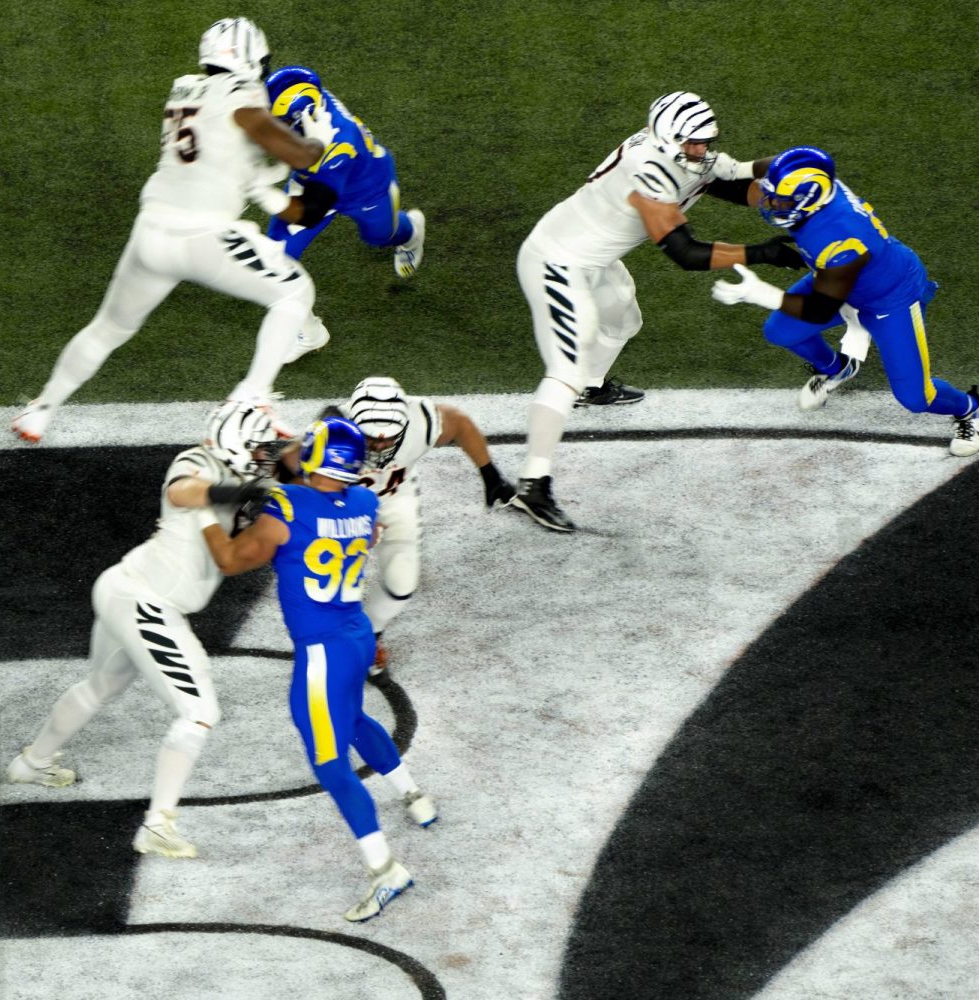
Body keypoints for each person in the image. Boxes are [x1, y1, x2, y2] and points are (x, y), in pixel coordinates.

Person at [11, 17, 331, 444]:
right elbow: (285, 145)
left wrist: (289, 189)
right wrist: (313, 145)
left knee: (108, 328)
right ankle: (251, 399)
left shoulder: (184, 89)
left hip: (150, 233)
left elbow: (255, 178)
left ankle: (40, 410)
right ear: (254, 59)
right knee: (294, 293)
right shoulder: (240, 93)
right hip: (203, 238)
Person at [511, 91, 801, 532]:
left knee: (624, 319)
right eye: (693, 144)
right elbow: (685, 253)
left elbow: (737, 182)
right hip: (557, 260)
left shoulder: (678, 156)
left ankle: (591, 388)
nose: (701, 151)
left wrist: (792, 171)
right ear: (669, 139)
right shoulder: (647, 171)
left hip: (592, 257)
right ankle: (532, 484)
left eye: (705, 142)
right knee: (566, 366)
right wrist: (763, 253)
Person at [7, 401, 281, 859]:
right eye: (257, 447)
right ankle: (157, 825)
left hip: (129, 591)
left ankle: (29, 764)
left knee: (99, 688)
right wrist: (235, 496)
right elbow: (183, 492)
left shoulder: (241, 475)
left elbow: (279, 465)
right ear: (233, 444)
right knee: (197, 712)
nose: (263, 456)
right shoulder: (199, 464)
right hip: (146, 603)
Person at [200, 416, 436, 923]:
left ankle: (385, 869)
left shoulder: (287, 507)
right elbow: (362, 531)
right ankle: (414, 795)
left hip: (322, 651)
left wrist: (205, 515)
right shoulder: (365, 501)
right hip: (354, 634)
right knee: (352, 722)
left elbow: (232, 561)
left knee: (329, 762)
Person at [712, 145, 979, 456]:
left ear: (807, 203)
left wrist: (765, 295)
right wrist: (728, 171)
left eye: (780, 200)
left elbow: (820, 310)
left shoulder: (840, 236)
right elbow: (779, 166)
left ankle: (970, 408)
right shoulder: (817, 188)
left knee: (915, 398)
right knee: (780, 330)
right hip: (839, 277)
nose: (770, 203)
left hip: (889, 297)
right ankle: (835, 368)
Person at [342, 376, 516, 674]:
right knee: (336, 586)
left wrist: (490, 474)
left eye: (388, 437)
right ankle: (338, 639)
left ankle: (370, 633)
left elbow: (460, 423)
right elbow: (299, 473)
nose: (381, 444)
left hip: (395, 499)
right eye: (372, 437)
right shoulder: (332, 429)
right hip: (342, 504)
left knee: (401, 583)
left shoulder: (420, 420)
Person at [259, 66, 427, 362]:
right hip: (312, 178)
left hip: (363, 187)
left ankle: (411, 231)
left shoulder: (338, 146)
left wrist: (260, 193)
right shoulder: (308, 104)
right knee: (275, 257)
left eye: (281, 121)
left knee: (380, 235)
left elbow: (311, 212)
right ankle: (310, 333)